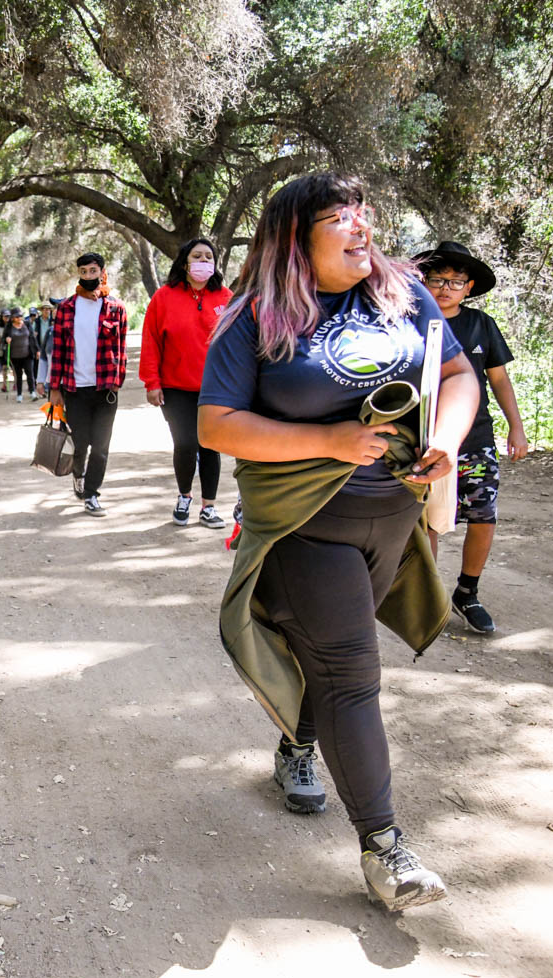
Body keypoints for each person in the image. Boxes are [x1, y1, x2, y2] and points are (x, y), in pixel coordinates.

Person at [199, 172, 479, 911]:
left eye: (363, 212)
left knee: (328, 662)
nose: (360, 225)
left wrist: (447, 438)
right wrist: (327, 440)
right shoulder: (253, 316)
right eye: (338, 216)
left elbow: (458, 373)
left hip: (394, 519)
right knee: (352, 674)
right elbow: (217, 425)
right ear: (296, 236)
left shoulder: (401, 292)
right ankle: (386, 850)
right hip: (304, 525)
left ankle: (297, 743)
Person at [413, 242, 528, 634]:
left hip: (475, 440)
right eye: (437, 280)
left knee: (483, 516)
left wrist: (516, 426)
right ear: (423, 281)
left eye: (455, 282)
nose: (445, 288)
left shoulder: (481, 325)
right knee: (427, 521)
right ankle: (428, 598)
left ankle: (467, 592)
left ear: (469, 287)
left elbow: (499, 380)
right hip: (423, 440)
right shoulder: (410, 321)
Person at [140, 236, 234, 528]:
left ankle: (209, 507)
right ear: (184, 263)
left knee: (210, 445)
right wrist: (152, 382)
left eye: (208, 257)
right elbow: (151, 341)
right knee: (185, 443)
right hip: (175, 387)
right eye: (197, 256)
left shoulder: (225, 297)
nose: (203, 261)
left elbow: (236, 343)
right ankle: (184, 496)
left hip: (215, 388)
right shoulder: (164, 297)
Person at [47, 253, 129, 516]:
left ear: (102, 272)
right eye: (83, 272)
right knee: (80, 443)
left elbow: (122, 348)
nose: (88, 276)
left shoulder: (116, 308)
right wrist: (55, 388)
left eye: (93, 271)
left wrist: (117, 381)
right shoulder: (67, 308)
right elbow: (58, 350)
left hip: (105, 389)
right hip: (75, 389)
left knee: (101, 447)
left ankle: (92, 494)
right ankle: (78, 474)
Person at [4, 307, 37, 402]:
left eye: (20, 316)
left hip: (27, 354)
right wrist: (7, 340)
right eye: (17, 316)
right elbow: (4, 339)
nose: (19, 318)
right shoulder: (9, 327)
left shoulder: (27, 324)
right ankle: (19, 394)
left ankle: (32, 392)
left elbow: (32, 337)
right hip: (15, 356)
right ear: (12, 318)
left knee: (30, 373)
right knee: (18, 375)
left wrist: (37, 350)